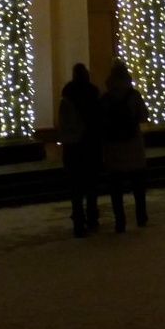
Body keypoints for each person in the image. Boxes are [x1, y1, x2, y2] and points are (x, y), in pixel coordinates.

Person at [100, 58, 149, 232]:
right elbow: (143, 115)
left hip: (114, 147)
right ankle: (141, 216)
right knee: (138, 185)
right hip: (133, 145)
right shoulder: (133, 95)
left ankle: (120, 221)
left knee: (116, 188)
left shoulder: (105, 98)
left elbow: (101, 121)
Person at [57, 62, 103, 237]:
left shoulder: (67, 96)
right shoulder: (93, 94)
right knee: (92, 185)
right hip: (91, 145)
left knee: (76, 188)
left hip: (73, 147)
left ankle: (78, 220)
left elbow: (63, 122)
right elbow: (99, 121)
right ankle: (92, 216)